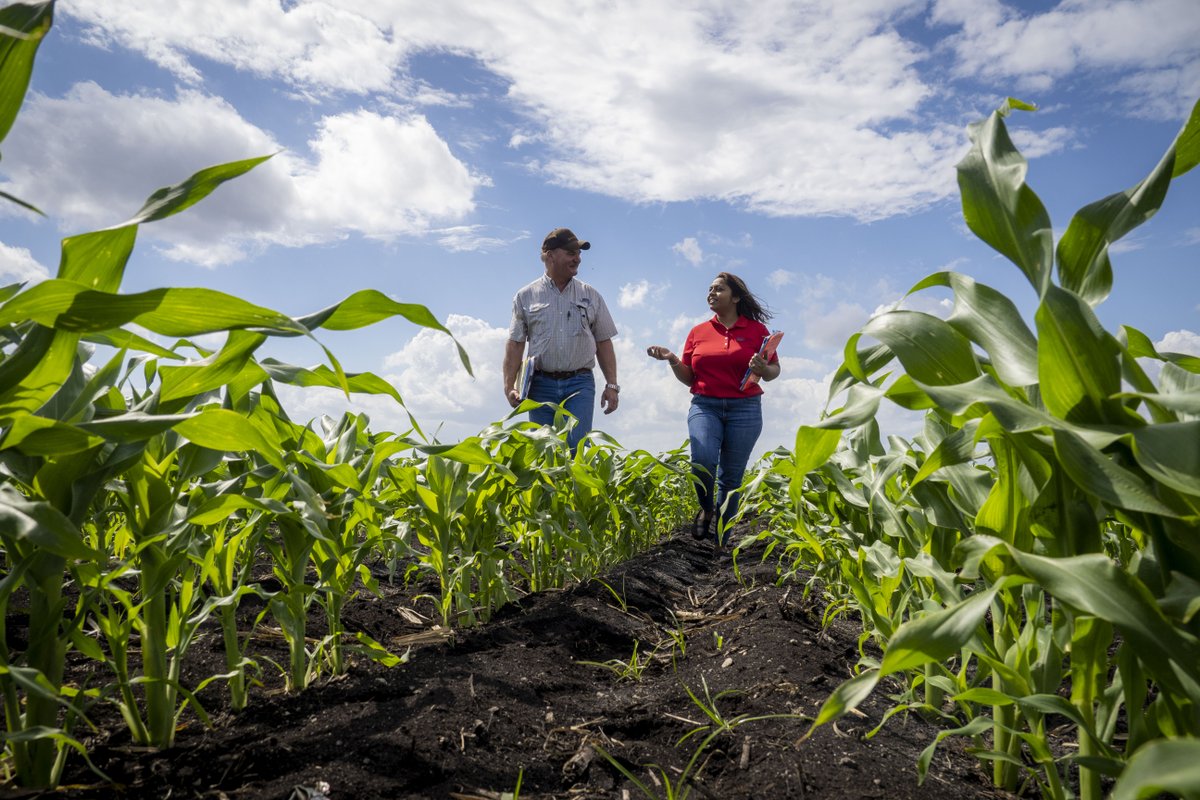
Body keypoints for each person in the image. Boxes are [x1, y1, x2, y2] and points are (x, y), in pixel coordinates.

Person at [647, 272, 780, 545]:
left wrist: (763, 368)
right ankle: (707, 509)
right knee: (703, 462)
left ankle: (721, 541)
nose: (711, 293)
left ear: (736, 297)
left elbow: (773, 371)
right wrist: (672, 359)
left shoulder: (757, 332)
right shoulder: (698, 332)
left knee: (731, 479)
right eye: (709, 289)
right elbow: (689, 377)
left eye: (719, 289)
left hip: (745, 409)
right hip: (705, 405)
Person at [503, 227, 620, 451]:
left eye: (579, 253)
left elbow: (603, 342)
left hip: (579, 383)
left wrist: (612, 385)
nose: (577, 258)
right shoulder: (525, 296)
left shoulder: (591, 295)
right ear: (550, 256)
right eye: (570, 253)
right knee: (546, 452)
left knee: (576, 448)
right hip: (539, 385)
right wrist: (510, 386)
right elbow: (516, 343)